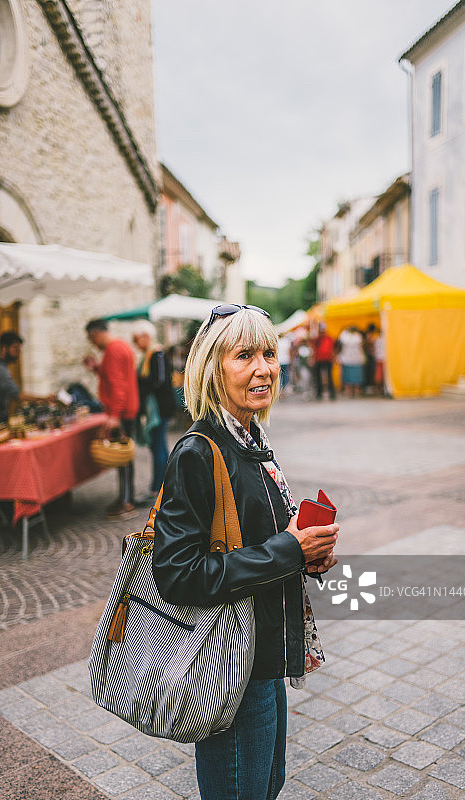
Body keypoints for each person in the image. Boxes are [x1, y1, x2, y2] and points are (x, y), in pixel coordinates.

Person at [152, 303, 338, 800]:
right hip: (228, 661)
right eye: (244, 356)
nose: (264, 368)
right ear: (213, 369)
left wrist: (308, 553)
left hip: (264, 653)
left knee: (265, 786)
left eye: (269, 354)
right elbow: (176, 574)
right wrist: (288, 549)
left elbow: (261, 541)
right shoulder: (198, 451)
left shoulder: (252, 440)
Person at [83, 319, 139, 518]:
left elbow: (118, 385)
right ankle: (125, 498)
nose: (92, 343)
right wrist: (96, 368)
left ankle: (127, 502)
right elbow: (114, 377)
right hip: (125, 410)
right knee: (123, 457)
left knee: (122, 457)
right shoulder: (120, 345)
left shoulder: (113, 350)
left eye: (91, 338)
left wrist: (114, 415)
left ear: (96, 333)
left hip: (122, 413)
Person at [131, 319, 176, 505]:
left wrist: (139, 384)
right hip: (157, 408)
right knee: (159, 447)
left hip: (160, 408)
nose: (135, 343)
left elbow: (158, 381)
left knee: (158, 447)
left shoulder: (156, 354)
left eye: (136, 339)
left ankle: (158, 489)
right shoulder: (150, 355)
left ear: (145, 336)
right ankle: (163, 488)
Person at [0, 331, 55, 423]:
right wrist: (45, 399)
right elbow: (17, 395)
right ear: (4, 348)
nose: (18, 353)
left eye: (19, 349)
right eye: (15, 348)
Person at [338, 326, 365, 397]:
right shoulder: (358, 336)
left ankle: (349, 390)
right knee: (355, 376)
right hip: (355, 359)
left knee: (348, 376)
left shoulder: (344, 336)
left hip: (348, 359)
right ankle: (355, 390)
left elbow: (340, 345)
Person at [313, 323, 336, 400]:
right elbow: (314, 348)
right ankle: (319, 393)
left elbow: (332, 349)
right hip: (319, 359)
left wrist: (333, 358)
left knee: (329, 376)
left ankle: (331, 393)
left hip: (327, 359)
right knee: (318, 377)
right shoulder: (317, 339)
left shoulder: (328, 338)